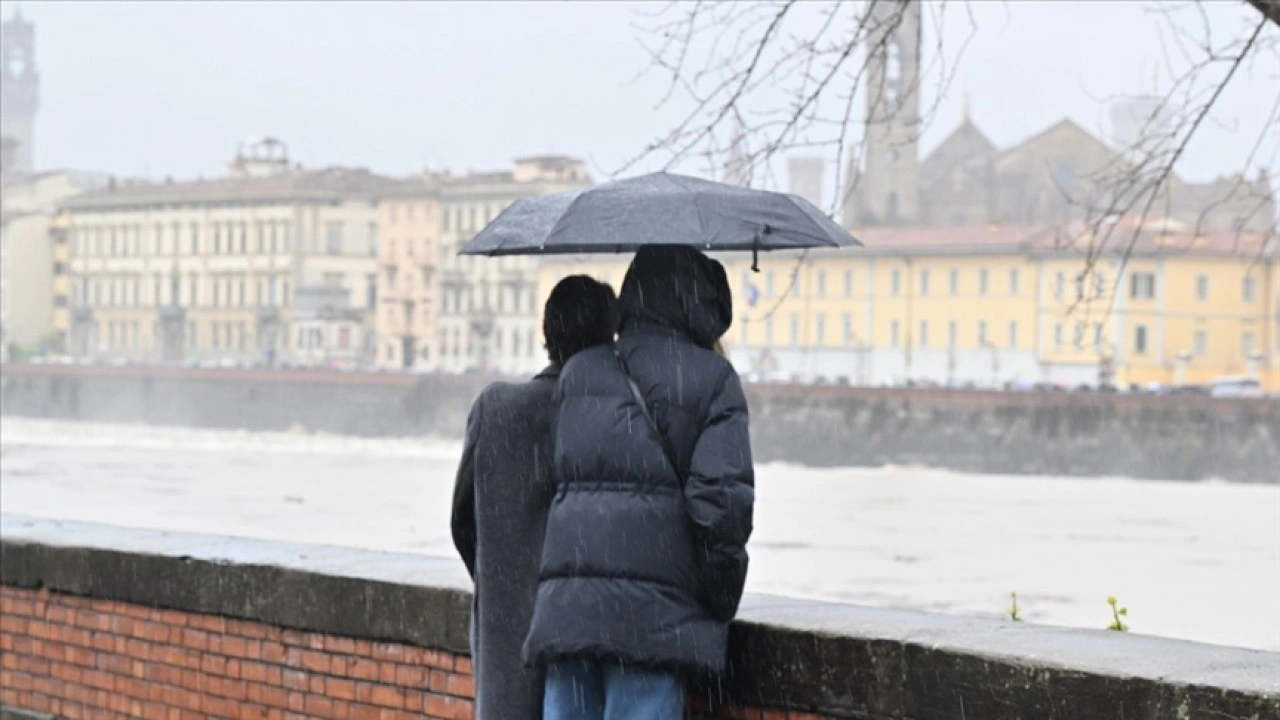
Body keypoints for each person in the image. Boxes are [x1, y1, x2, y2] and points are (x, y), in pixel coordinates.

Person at [524, 245, 755, 720]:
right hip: (650, 622)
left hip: (569, 616)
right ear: (703, 308)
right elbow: (722, 505)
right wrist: (720, 596)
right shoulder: (713, 379)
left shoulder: (580, 371)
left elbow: (561, 488)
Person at [452, 275, 619, 720]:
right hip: (587, 641)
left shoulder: (497, 409)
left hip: (508, 642)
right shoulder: (607, 417)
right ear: (610, 337)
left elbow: (462, 524)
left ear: (547, 333)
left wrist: (503, 580)